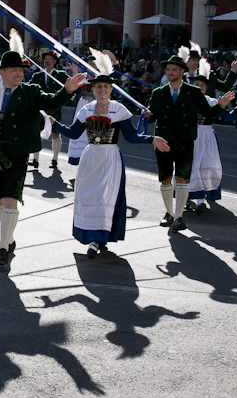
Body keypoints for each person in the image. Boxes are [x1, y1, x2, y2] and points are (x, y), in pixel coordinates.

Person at [0, 30, 86, 267]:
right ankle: (9, 237)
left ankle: (3, 247)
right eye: (14, 70)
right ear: (2, 72)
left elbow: (52, 101)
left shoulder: (31, 92)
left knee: (11, 198)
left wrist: (67, 90)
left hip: (17, 152)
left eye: (21, 71)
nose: (19, 74)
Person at [53, 50, 170, 257]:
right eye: (99, 87)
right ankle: (91, 237)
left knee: (106, 197)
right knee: (87, 195)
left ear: (111, 90)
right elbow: (74, 132)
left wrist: (153, 138)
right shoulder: (86, 109)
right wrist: (55, 125)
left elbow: (131, 136)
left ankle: (99, 239)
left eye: (106, 87)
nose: (103, 90)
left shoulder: (119, 110)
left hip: (110, 159)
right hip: (90, 159)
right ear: (94, 89)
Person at [143, 52, 236, 233]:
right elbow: (153, 116)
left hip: (185, 140)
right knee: (165, 179)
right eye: (168, 69)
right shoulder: (158, 93)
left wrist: (221, 105)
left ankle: (178, 217)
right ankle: (169, 213)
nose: (169, 72)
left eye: (173, 70)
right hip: (164, 141)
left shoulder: (193, 92)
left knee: (182, 178)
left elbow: (207, 114)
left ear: (182, 71)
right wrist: (147, 114)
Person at [188, 58, 237, 213]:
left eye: (202, 85)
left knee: (207, 167)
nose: (199, 87)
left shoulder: (210, 101)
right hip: (189, 136)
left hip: (206, 137)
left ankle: (200, 201)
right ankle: (188, 198)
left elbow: (226, 116)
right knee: (191, 167)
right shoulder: (183, 100)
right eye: (196, 85)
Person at [28, 51, 70, 169]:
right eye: (45, 58)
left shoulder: (61, 75)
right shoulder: (37, 76)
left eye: (50, 59)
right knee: (37, 133)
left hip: (54, 109)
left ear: (55, 61)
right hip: (40, 110)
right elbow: (30, 88)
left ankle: (55, 159)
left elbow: (68, 88)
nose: (47, 61)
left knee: (55, 134)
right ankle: (35, 160)